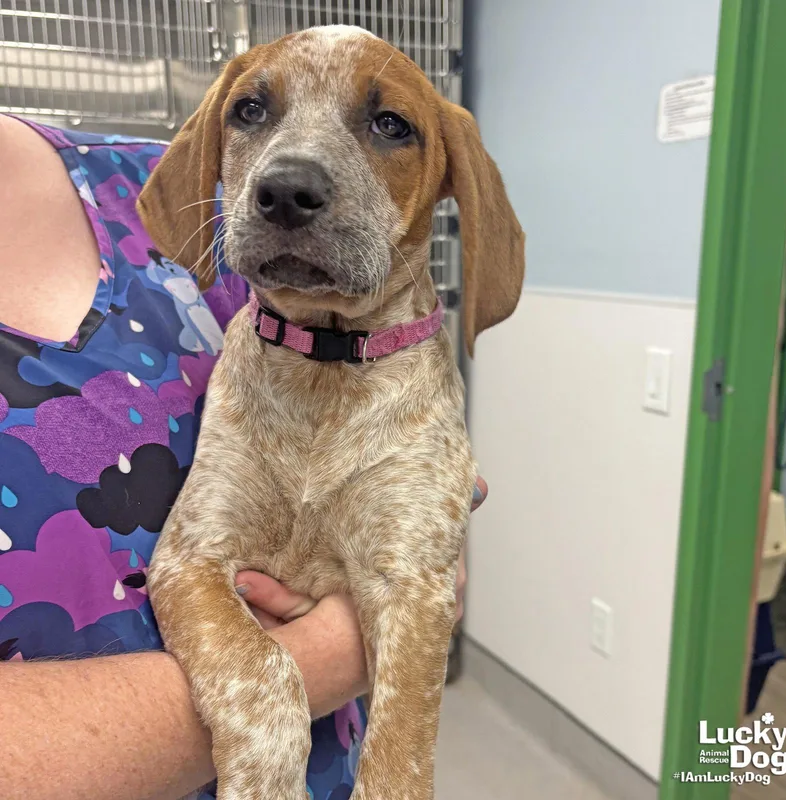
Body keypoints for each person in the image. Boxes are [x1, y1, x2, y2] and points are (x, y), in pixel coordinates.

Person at [0, 113, 485, 800]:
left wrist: (410, 560)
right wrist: (325, 656)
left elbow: (418, 569)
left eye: (385, 125)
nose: (288, 178)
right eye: (256, 111)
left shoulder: (170, 187)